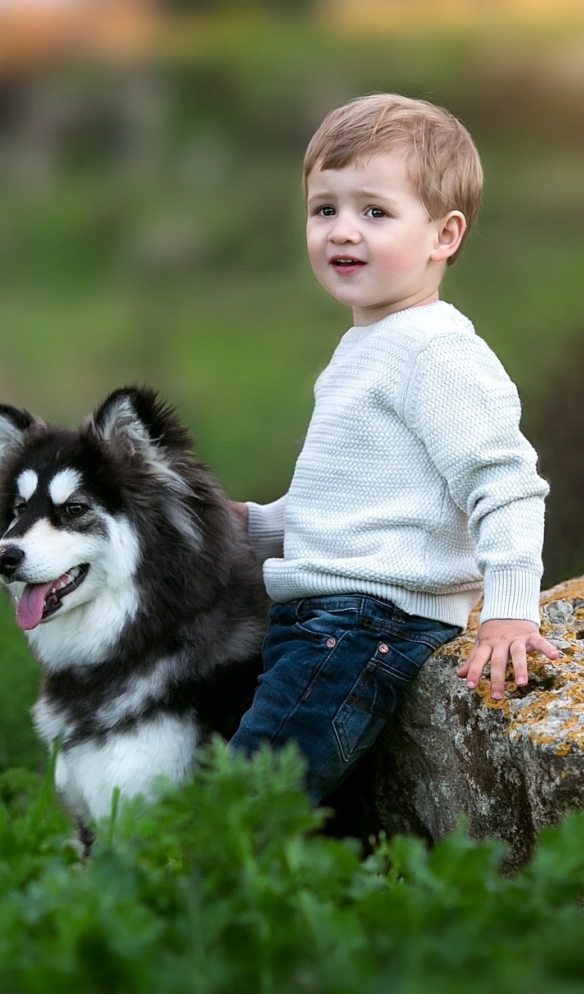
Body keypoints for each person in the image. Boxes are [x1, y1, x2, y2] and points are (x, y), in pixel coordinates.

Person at [228, 92, 554, 804]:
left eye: (374, 211)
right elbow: (357, 503)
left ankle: (182, 900)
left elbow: (506, 484)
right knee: (303, 807)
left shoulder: (436, 351)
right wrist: (251, 527)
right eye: (325, 209)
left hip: (365, 623)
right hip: (328, 619)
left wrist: (508, 610)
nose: (343, 231)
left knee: (244, 800)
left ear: (444, 235)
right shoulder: (370, 344)